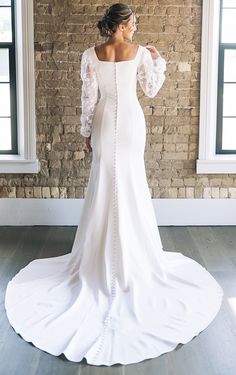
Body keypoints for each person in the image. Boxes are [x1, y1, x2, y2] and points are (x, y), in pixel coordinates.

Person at [4, 3, 223, 367]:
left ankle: (100, 258)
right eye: (134, 22)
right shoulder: (139, 54)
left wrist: (87, 133)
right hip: (131, 124)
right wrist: (158, 60)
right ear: (121, 24)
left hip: (106, 124)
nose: (136, 28)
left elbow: (88, 100)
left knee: (105, 187)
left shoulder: (90, 54)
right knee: (131, 186)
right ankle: (130, 260)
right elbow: (150, 90)